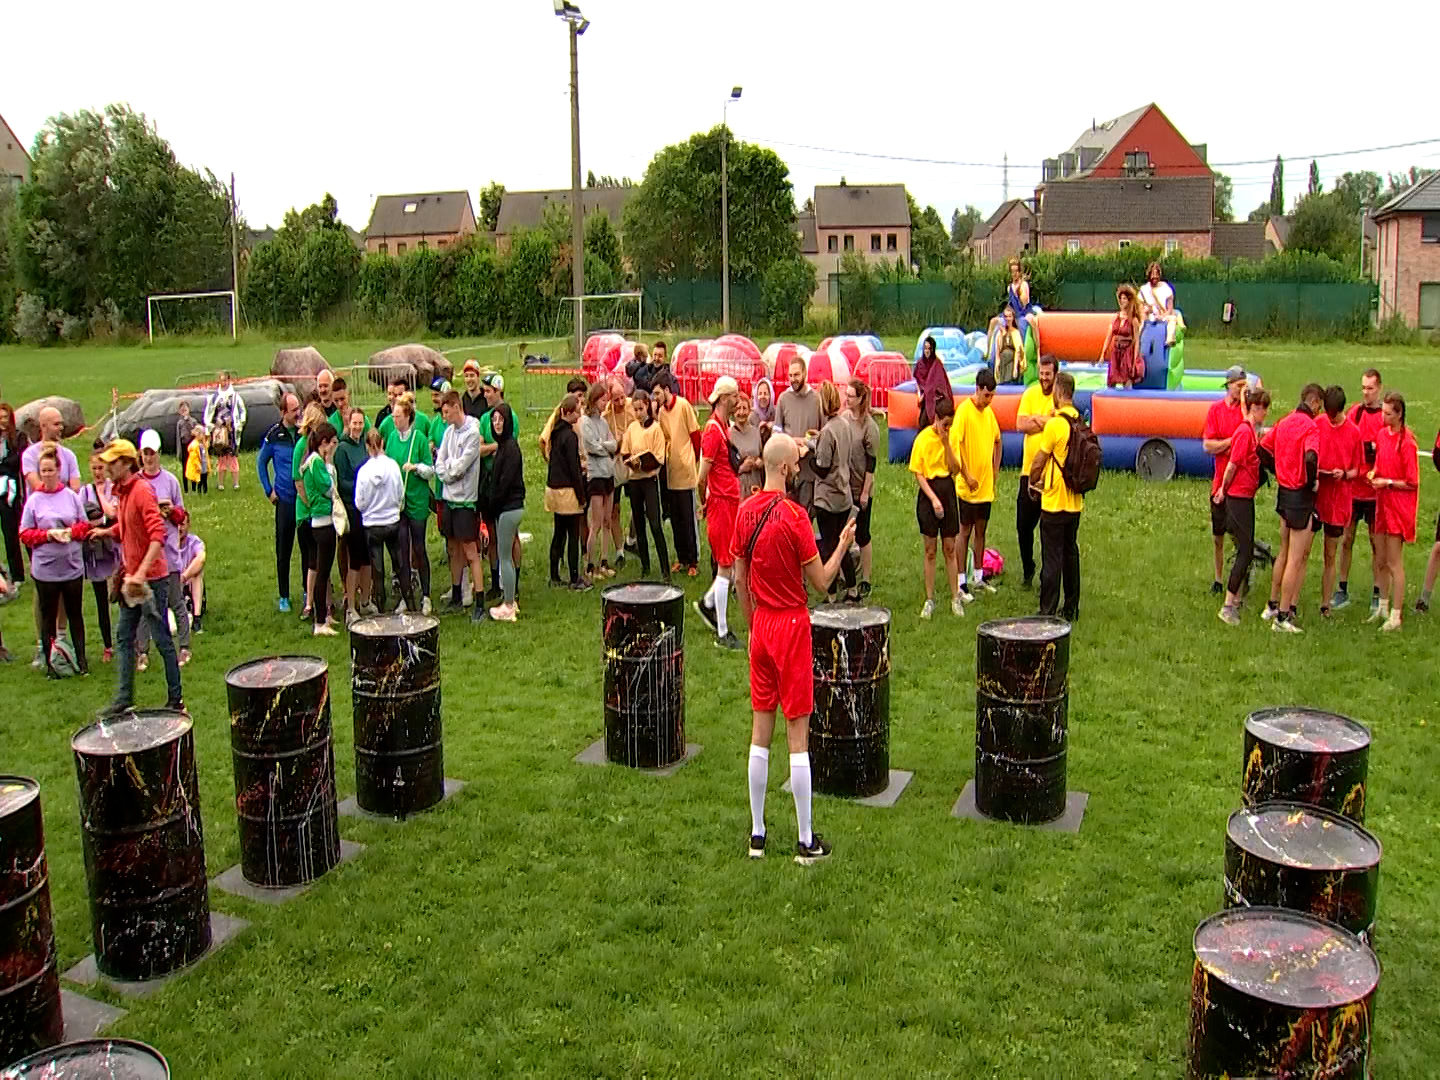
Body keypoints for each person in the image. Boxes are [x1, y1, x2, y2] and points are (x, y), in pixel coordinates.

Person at [734, 433, 857, 865]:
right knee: (798, 735)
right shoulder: (795, 517)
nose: (801, 468)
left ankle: (757, 834)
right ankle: (805, 840)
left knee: (760, 732)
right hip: (791, 626)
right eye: (797, 463)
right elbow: (822, 582)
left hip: (762, 625)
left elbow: (739, 579)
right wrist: (842, 545)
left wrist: (752, 627)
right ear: (785, 468)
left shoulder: (745, 511)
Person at [96, 438, 184, 718]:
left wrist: (141, 575)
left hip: (151, 580)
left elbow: (157, 536)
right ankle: (124, 698)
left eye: (112, 463)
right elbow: (128, 526)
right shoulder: (123, 493)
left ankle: (176, 699)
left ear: (125, 464)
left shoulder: (141, 491)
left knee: (161, 638)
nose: (107, 468)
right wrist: (106, 532)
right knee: (124, 637)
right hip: (132, 579)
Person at [412, 391, 486, 623]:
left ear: (456, 407)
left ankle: (480, 602)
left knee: (470, 551)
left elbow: (460, 468)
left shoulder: (472, 434)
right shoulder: (448, 433)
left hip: (465, 500)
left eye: (446, 412)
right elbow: (440, 463)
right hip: (448, 499)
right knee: (453, 548)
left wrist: (447, 470)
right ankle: (456, 595)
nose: (444, 417)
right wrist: (446, 471)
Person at [19, 447, 91, 677]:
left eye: (51, 470)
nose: (48, 474)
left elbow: (84, 525)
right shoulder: (34, 501)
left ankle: (82, 660)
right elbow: (24, 533)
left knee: (75, 613)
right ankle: (50, 663)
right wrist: (48, 535)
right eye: (44, 471)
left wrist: (70, 532)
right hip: (46, 569)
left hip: (71, 566)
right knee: (48, 615)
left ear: (59, 471)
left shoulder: (70, 496)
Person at [1259, 384, 1324, 634]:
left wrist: (1276, 470)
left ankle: (1272, 604)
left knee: (1283, 552)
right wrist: (1312, 482)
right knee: (1296, 559)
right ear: (1314, 402)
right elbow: (1311, 457)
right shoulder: (1311, 427)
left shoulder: (1284, 422)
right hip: (1300, 495)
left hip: (1284, 493)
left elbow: (1262, 449)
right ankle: (1283, 616)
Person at [1028, 372, 1084, 621]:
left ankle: (1047, 609)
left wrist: (1033, 481)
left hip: (1053, 501)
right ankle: (1071, 607)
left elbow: (1039, 460)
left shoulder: (1055, 425)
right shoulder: (1080, 421)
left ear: (1059, 392)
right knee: (1070, 553)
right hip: (1075, 502)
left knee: (1051, 557)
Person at [135, 430, 192, 667]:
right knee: (145, 606)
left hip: (168, 552)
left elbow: (182, 516)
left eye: (153, 453)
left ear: (159, 453)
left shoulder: (170, 481)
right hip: (145, 554)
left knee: (176, 601)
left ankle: (185, 647)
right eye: (145, 453)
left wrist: (170, 512)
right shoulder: (136, 482)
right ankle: (142, 651)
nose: (149, 458)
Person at [695, 376, 745, 649]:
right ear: (725, 398)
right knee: (726, 565)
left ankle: (708, 603)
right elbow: (702, 475)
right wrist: (703, 501)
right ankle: (723, 631)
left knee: (730, 563)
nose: (738, 400)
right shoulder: (714, 432)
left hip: (729, 500)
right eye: (735, 395)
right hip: (721, 502)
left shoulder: (722, 426)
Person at [1215, 389, 1271, 625]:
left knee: (1244, 549)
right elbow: (1232, 465)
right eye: (1264, 409)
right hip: (1237, 498)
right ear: (1255, 408)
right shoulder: (1244, 433)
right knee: (1245, 551)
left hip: (1244, 496)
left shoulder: (1251, 432)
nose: (1266, 414)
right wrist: (1223, 490)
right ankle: (1228, 605)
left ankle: (1236, 599)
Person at [1336, 368, 1385, 614]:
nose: (1366, 393)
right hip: (1353, 490)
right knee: (1347, 539)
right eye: (1363, 388)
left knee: (1376, 543)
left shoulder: (1385, 416)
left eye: (1370, 388)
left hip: (1374, 493)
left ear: (1379, 389)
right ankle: (1341, 588)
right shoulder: (1355, 412)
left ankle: (1377, 592)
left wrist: (1376, 468)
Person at [909, 396, 963, 619]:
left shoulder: (950, 438)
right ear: (937, 419)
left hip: (947, 490)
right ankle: (929, 599)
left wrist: (946, 443)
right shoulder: (922, 439)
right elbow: (918, 474)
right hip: (929, 493)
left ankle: (955, 597)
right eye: (945, 424)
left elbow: (955, 469)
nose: (947, 428)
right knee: (930, 549)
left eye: (950, 425)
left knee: (949, 547)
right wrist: (933, 499)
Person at [1370, 391, 1418, 632]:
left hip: (1398, 507)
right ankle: (1382, 605)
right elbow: (1380, 463)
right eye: (1383, 412)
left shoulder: (1407, 443)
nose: (1384, 417)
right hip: (1382, 504)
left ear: (1399, 415)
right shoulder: (1381, 435)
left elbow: (1412, 482)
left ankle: (1396, 615)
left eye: (1388, 413)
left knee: (1393, 562)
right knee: (1379, 558)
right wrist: (1374, 474)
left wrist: (1388, 482)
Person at [1314, 386, 1363, 618]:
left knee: (1330, 553)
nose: (1330, 419)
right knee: (1302, 550)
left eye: (1334, 415)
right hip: (1317, 496)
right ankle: (1290, 603)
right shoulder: (1318, 423)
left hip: (1338, 500)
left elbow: (1357, 470)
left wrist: (1343, 474)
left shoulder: (1354, 432)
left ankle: (1326, 604)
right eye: (1328, 414)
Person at [952, 368, 1002, 598]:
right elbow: (955, 447)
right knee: (964, 531)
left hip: (985, 487)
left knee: (981, 530)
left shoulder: (989, 414)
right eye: (986, 395)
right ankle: (961, 580)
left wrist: (995, 469)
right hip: (968, 487)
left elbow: (998, 441)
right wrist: (966, 475)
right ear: (978, 389)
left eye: (992, 396)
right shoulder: (964, 412)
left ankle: (979, 576)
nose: (989, 400)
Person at [356, 427, 415, 614]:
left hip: (372, 525)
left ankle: (381, 610)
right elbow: (400, 493)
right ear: (382, 443)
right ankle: (411, 605)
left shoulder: (363, 472)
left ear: (367, 446)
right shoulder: (393, 466)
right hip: (392, 522)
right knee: (401, 566)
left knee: (378, 571)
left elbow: (359, 502)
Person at [1201, 367, 1249, 594]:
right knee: (1218, 535)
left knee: (1238, 535)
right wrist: (1232, 442)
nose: (1241, 391)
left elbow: (1250, 437)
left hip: (1239, 483)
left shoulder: (1245, 412)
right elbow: (1207, 445)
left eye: (1244, 386)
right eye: (1238, 386)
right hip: (1219, 480)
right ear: (1229, 386)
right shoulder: (1216, 410)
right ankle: (1219, 579)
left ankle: (1242, 576)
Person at [385, 396, 433, 614]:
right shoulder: (391, 439)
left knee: (419, 548)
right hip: (399, 502)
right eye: (393, 416)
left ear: (408, 417)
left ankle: (426, 595)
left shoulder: (419, 438)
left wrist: (415, 467)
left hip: (417, 500)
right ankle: (407, 596)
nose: (394, 420)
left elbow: (430, 470)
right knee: (401, 550)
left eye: (398, 416)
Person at [810, 380, 857, 601]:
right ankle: (852, 589)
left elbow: (822, 468)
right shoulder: (844, 424)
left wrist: (809, 454)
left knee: (829, 547)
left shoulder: (827, 432)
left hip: (827, 498)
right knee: (843, 543)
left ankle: (830, 594)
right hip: (844, 495)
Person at [1015, 355, 1057, 589]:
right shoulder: (1030, 394)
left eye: (1048, 374)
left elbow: (1059, 426)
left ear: (1055, 375)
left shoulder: (1058, 397)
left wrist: (1036, 420)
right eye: (1041, 373)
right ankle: (1028, 568)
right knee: (1023, 526)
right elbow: (1020, 424)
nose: (1043, 378)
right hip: (1028, 472)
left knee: (1048, 528)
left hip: (1050, 475)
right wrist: (1045, 420)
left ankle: (1047, 575)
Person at [620, 390, 671, 582]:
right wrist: (632, 462)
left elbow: (659, 458)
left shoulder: (655, 429)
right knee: (639, 525)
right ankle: (645, 566)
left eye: (641, 409)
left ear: (647, 407)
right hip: (634, 481)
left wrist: (642, 463)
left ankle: (665, 569)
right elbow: (625, 451)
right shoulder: (632, 428)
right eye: (635, 410)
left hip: (649, 480)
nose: (638, 413)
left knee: (655, 524)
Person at [257, 393, 301, 612]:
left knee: (307, 548)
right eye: (294, 410)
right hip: (284, 500)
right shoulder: (274, 435)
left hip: (304, 501)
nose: (298, 413)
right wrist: (269, 490)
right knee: (283, 550)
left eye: (299, 408)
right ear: (283, 412)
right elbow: (261, 463)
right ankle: (284, 596)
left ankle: (307, 591)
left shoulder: (303, 432)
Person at [655, 375, 701, 575]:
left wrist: (693, 459)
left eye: (657, 393)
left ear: (667, 390)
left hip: (686, 472)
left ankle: (693, 560)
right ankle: (681, 557)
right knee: (676, 519)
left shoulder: (683, 406)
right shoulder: (661, 413)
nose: (655, 397)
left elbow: (695, 435)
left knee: (689, 518)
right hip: (671, 472)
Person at [299, 421, 341, 636]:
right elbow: (328, 487)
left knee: (324, 571)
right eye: (333, 443)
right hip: (322, 522)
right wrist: (329, 464)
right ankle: (319, 622)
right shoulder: (316, 462)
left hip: (324, 521)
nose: (334, 446)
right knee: (322, 573)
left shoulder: (315, 461)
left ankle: (324, 614)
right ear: (324, 442)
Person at [485, 403, 525, 622]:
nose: (497, 423)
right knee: (505, 555)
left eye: (501, 419)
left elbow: (505, 482)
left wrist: (494, 504)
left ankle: (509, 604)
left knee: (505, 557)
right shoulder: (503, 446)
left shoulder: (510, 448)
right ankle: (510, 600)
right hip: (508, 507)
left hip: (509, 507)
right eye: (494, 420)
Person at [544, 393, 589, 590]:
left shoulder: (555, 432)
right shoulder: (570, 436)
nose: (579, 416)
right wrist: (582, 495)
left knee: (559, 534)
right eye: (577, 412)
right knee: (573, 535)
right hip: (568, 491)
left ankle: (554, 575)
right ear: (568, 412)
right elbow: (573, 468)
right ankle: (574, 577)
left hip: (553, 489)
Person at [334, 407, 375, 624]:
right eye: (354, 423)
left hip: (367, 509)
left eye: (360, 423)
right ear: (348, 424)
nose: (358, 427)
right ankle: (351, 606)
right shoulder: (342, 449)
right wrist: (363, 485)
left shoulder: (364, 445)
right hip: (352, 509)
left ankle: (366, 600)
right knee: (355, 559)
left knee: (368, 557)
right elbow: (342, 482)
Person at [81, 453, 121, 662]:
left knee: (120, 595)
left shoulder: (113, 488)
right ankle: (108, 645)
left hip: (113, 547)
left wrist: (100, 495)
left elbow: (113, 514)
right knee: (101, 601)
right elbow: (81, 519)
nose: (97, 473)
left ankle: (128, 641)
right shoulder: (84, 491)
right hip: (96, 551)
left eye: (100, 468)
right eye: (94, 468)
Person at [292, 402, 329, 619]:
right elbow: (298, 481)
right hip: (307, 513)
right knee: (312, 559)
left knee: (321, 559)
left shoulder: (318, 446)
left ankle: (323, 601)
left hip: (318, 511)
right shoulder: (301, 447)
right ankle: (310, 602)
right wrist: (310, 505)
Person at [844, 378, 879, 598]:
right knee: (845, 532)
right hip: (845, 486)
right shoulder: (844, 419)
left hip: (861, 485)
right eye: (846, 395)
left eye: (850, 396)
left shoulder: (869, 427)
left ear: (860, 399)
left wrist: (865, 491)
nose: (846, 399)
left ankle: (866, 578)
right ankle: (845, 574)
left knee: (863, 534)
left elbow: (871, 463)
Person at [580, 383, 619, 580]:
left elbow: (614, 443)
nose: (605, 404)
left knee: (607, 521)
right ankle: (590, 564)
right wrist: (606, 448)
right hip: (596, 476)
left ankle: (604, 561)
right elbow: (591, 446)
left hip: (608, 474)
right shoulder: (585, 422)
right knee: (595, 523)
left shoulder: (603, 423)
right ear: (594, 400)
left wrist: (605, 446)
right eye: (603, 400)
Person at [774, 358, 822, 513]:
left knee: (805, 515)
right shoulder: (783, 399)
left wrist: (806, 443)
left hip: (808, 471)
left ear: (805, 374)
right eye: (790, 375)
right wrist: (791, 441)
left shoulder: (816, 399)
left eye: (796, 375)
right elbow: (776, 432)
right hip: (787, 473)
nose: (793, 379)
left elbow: (823, 435)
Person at [604, 376, 632, 571]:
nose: (621, 402)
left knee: (640, 506)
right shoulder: (606, 416)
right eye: (616, 400)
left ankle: (632, 537)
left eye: (622, 397)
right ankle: (619, 550)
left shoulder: (632, 407)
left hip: (633, 463)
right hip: (615, 465)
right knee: (614, 509)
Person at [0, 403, 28, 587]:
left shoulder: (18, 437)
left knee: (16, 531)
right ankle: (10, 574)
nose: (2, 421)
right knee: (6, 533)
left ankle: (22, 572)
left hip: (13, 491)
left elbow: (17, 461)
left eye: (5, 417)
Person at [204, 370, 246, 490]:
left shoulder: (235, 396)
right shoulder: (214, 398)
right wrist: (211, 427)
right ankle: (221, 484)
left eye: (226, 380)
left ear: (229, 380)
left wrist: (238, 424)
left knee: (232, 457)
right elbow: (208, 414)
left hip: (231, 431)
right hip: (219, 432)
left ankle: (236, 483)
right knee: (221, 458)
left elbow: (242, 411)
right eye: (221, 380)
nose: (224, 382)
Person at [22, 407, 80, 492]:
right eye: (56, 424)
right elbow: (36, 485)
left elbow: (75, 487)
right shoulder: (30, 454)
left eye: (61, 424)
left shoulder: (69, 455)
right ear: (43, 426)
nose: (61, 427)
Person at [1100, 284, 1144, 389]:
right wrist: (1103, 353)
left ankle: (1128, 397)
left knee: (1126, 379)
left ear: (1129, 301)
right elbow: (1109, 336)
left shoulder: (1133, 320)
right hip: (1116, 351)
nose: (1122, 301)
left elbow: (1136, 341)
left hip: (1127, 352)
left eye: (1124, 299)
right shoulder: (1116, 317)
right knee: (1112, 378)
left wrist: (1135, 358)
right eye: (1121, 298)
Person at [912, 336, 951, 432]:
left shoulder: (937, 364)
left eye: (929, 349)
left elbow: (938, 384)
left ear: (933, 350)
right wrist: (920, 395)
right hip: (926, 400)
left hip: (937, 398)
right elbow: (918, 381)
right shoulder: (920, 363)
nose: (927, 351)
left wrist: (926, 394)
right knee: (922, 422)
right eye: (925, 348)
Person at [730, 391, 765, 499]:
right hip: (738, 488)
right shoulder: (729, 435)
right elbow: (726, 468)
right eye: (738, 408)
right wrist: (741, 468)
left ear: (749, 410)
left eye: (744, 408)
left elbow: (762, 456)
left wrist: (760, 462)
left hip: (755, 485)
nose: (741, 412)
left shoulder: (756, 432)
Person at [1139, 262, 1180, 347]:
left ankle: (1169, 340)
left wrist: (1162, 316)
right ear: (1149, 275)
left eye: (1156, 274)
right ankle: (1137, 340)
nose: (1155, 277)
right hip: (1148, 317)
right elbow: (1140, 308)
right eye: (1152, 274)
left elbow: (1170, 309)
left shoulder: (1166, 288)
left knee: (1173, 319)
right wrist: (1147, 311)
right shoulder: (1144, 289)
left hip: (1162, 316)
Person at [177, 517, 206, 634]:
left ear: (188, 525)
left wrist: (183, 577)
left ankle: (196, 618)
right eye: (176, 525)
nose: (179, 528)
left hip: (187, 585)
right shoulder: (166, 543)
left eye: (182, 524)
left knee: (197, 573)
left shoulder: (194, 542)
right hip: (171, 588)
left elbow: (201, 558)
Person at [989, 307, 1026, 384]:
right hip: (1002, 361)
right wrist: (997, 362)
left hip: (1011, 361)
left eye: (1010, 316)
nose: (1008, 319)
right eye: (1006, 317)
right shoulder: (1001, 332)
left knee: (1009, 381)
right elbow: (998, 349)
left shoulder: (1016, 333)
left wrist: (1015, 368)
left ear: (1013, 318)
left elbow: (1018, 350)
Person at [175, 401, 198, 489]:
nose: (184, 411)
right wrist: (179, 452)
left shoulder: (193, 421)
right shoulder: (179, 423)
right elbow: (178, 437)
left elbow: (196, 433)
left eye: (185, 409)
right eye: (182, 410)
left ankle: (194, 486)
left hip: (192, 446)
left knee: (193, 466)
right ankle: (186, 488)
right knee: (185, 467)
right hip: (184, 446)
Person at [184, 426, 209, 496]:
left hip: (204, 464)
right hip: (197, 465)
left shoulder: (202, 443)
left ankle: (205, 492)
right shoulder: (194, 445)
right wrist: (198, 465)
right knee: (197, 479)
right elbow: (194, 457)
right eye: (202, 434)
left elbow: (206, 451)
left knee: (204, 478)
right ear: (198, 434)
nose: (203, 436)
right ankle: (197, 492)